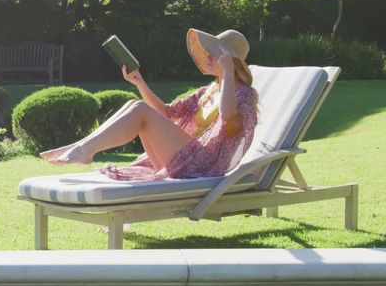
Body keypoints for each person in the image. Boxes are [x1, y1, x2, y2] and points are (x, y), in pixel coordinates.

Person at [40, 29, 258, 181]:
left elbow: (229, 117)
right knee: (135, 104)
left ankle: (83, 150)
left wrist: (228, 72)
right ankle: (81, 147)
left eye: (215, 52)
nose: (208, 55)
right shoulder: (208, 90)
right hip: (182, 157)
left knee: (140, 110)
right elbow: (167, 112)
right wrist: (139, 81)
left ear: (231, 60)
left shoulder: (246, 95)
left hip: (203, 165)